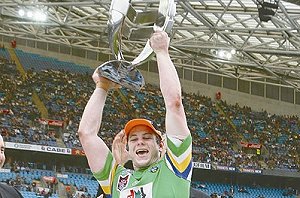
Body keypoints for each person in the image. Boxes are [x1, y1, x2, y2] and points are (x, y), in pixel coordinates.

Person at [78, 31, 192, 197]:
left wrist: (161, 52)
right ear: (128, 149)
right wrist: (102, 86)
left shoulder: (175, 168)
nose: (140, 142)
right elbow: (86, 134)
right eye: (134, 139)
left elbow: (174, 104)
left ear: (161, 146)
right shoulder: (118, 180)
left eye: (146, 138)